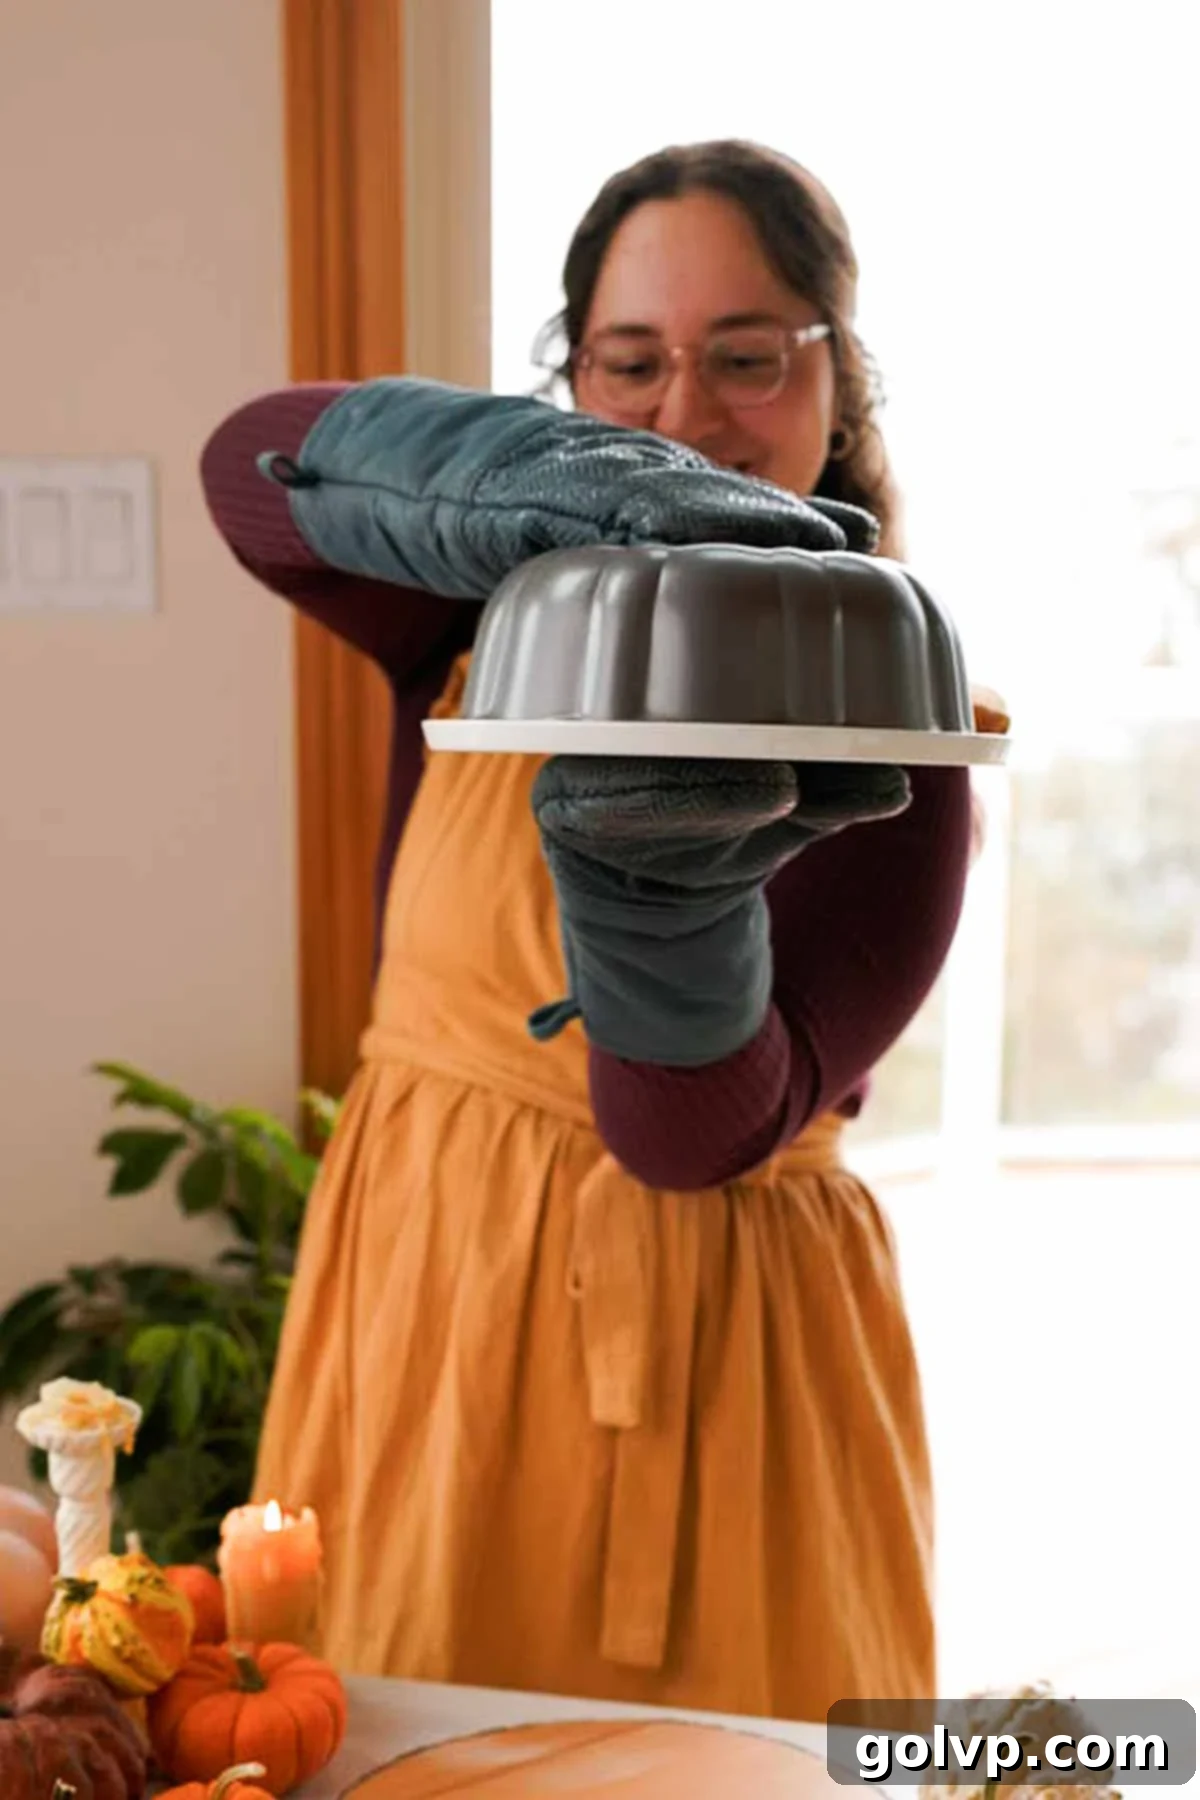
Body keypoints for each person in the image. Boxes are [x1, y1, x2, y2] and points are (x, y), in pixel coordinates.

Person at [200, 140, 973, 1721]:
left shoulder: (905, 734)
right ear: (572, 383)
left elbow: (682, 1138)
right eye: (629, 363)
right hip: (420, 1319)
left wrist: (655, 894)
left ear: (840, 380)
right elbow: (244, 475)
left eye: (748, 357)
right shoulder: (464, 636)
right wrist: (500, 483)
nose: (686, 415)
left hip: (727, 1370)